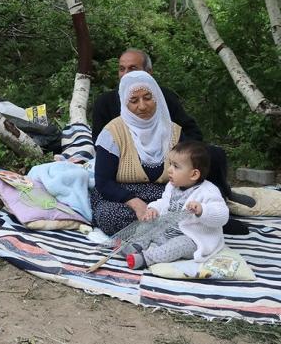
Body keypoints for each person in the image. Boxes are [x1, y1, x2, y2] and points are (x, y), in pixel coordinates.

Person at [91, 49, 233, 200]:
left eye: (132, 68)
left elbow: (191, 130)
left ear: (149, 72)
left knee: (213, 155)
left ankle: (219, 197)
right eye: (121, 69)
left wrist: (176, 150)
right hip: (122, 160)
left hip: (169, 156)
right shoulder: (105, 103)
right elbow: (99, 143)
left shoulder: (164, 98)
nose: (142, 106)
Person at [90, 70, 184, 236]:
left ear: (157, 98)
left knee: (191, 207)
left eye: (148, 98)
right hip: (121, 197)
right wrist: (136, 203)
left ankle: (148, 233)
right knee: (110, 216)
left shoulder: (174, 132)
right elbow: (103, 182)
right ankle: (165, 232)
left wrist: (164, 203)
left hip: (164, 195)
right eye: (134, 100)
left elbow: (187, 174)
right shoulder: (113, 133)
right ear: (124, 103)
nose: (142, 106)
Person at [124, 141, 229, 270]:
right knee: (147, 223)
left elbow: (222, 216)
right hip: (166, 232)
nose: (169, 170)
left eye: (176, 166)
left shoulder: (208, 191)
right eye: (170, 164)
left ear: (194, 174)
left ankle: (146, 258)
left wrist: (202, 210)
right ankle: (135, 245)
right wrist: (153, 209)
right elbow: (164, 202)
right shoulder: (172, 186)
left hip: (192, 239)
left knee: (178, 245)